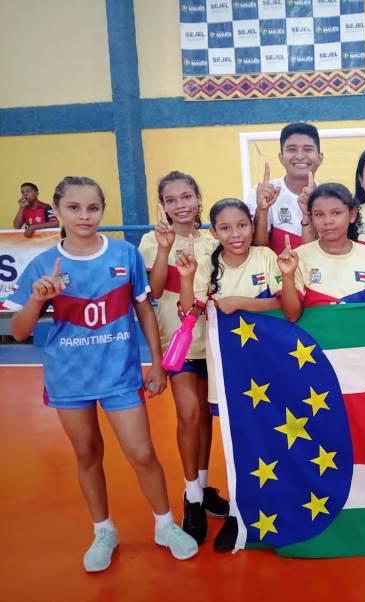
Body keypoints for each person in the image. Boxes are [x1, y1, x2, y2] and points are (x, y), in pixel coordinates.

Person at [7, 176, 198, 572]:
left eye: (93, 208)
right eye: (74, 208)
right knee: (87, 453)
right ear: (57, 211)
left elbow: (145, 309)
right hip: (69, 378)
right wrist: (39, 300)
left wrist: (158, 362)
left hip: (119, 374)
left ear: (102, 210)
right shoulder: (43, 265)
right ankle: (103, 530)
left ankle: (165, 525)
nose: (84, 216)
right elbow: (20, 331)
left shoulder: (124, 253)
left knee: (143, 453)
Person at [176, 197, 282, 552]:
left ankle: (261, 506)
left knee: (266, 436)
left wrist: (240, 302)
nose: (235, 234)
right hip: (225, 368)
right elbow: (189, 309)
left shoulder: (266, 257)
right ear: (214, 231)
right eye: (225, 227)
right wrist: (188, 278)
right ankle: (237, 510)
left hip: (267, 366)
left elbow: (284, 302)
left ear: (252, 224)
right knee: (234, 440)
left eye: (242, 225)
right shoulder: (209, 263)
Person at [138, 171, 229, 546]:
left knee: (205, 420)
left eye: (187, 196)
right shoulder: (152, 240)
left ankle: (204, 487)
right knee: (188, 415)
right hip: (180, 346)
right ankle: (191, 496)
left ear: (197, 198)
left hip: (215, 344)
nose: (181, 204)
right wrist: (164, 249)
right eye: (172, 199)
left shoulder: (212, 241)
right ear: (163, 205)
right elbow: (156, 289)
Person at [279, 183, 365, 321]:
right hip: (317, 340)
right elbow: (292, 316)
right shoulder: (298, 257)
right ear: (311, 218)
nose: (328, 221)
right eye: (319, 214)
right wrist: (287, 275)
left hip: (358, 339)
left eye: (336, 213)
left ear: (352, 215)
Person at [247, 122, 323, 254]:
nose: (299, 156)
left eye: (308, 149)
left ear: (320, 158)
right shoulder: (261, 193)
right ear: (281, 158)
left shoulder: (331, 196)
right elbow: (258, 252)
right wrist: (262, 210)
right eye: (292, 149)